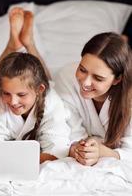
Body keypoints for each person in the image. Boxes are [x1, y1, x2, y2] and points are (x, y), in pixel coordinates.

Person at [0, 7, 70, 163]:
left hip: (44, 89)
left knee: (46, 81)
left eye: (21, 95)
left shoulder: (51, 101)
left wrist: (17, 161)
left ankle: (28, 44)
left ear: (39, 90)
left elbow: (56, 149)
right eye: (6, 93)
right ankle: (12, 45)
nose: (13, 101)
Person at [54, 32, 132, 166]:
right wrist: (80, 148)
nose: (85, 83)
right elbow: (69, 132)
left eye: (98, 78)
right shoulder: (66, 78)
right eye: (82, 70)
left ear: (117, 79)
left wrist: (103, 152)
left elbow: (129, 150)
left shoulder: (129, 99)